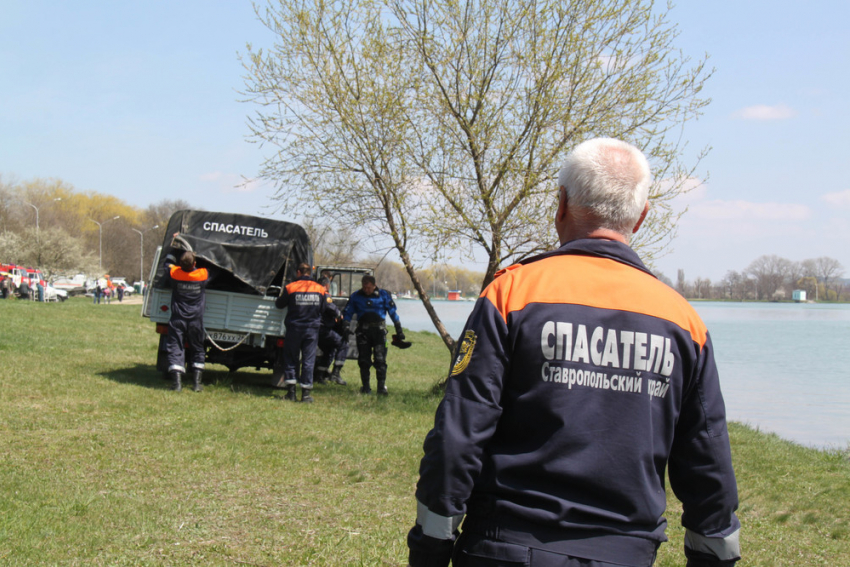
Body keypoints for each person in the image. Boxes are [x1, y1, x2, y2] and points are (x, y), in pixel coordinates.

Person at [407, 138, 741, 567]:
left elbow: (460, 431)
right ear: (640, 217)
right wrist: (715, 557)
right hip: (624, 553)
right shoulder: (683, 320)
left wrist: (431, 546)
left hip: (505, 546)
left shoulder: (512, 293)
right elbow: (707, 459)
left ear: (561, 203)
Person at [275, 263, 334, 403]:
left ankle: (291, 393)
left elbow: (279, 304)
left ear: (298, 272)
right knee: (308, 360)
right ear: (310, 273)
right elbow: (324, 307)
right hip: (311, 330)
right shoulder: (320, 289)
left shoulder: (291, 287)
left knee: (291, 359)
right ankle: (306, 395)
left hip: (294, 329)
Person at [342, 274, 404, 395]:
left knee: (380, 360)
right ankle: (366, 387)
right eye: (364, 287)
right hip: (363, 332)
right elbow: (348, 312)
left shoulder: (384, 295)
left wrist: (399, 329)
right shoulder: (356, 296)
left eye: (369, 288)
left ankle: (381, 388)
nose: (366, 290)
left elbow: (392, 313)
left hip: (379, 332)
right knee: (364, 361)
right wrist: (346, 325)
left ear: (374, 285)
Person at [162, 240, 210, 392]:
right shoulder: (202, 275)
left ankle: (177, 384)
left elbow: (167, 263)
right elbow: (216, 269)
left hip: (178, 319)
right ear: (194, 263)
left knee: (175, 348)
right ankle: (196, 384)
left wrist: (173, 247)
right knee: (197, 348)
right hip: (195, 320)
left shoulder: (175, 273)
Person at [314, 276, 348, 386]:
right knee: (343, 345)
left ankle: (319, 375)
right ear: (326, 285)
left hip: (313, 329)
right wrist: (339, 314)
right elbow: (330, 306)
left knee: (329, 350)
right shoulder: (324, 294)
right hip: (323, 329)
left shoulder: (312, 294)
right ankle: (335, 374)